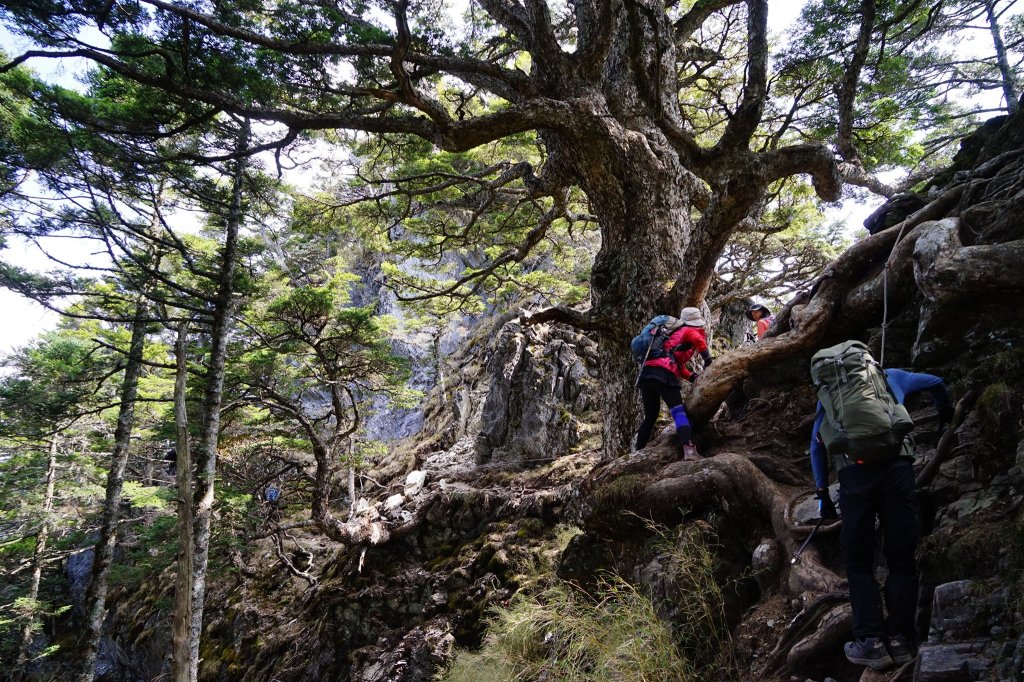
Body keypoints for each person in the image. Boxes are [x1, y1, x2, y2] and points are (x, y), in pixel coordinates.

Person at [810, 366, 953, 671]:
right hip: (897, 470)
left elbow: (816, 443)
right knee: (901, 557)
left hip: (854, 475)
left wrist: (823, 495)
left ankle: (871, 642)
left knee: (859, 562)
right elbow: (937, 381)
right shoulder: (893, 376)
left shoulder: (832, 389)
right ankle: (901, 640)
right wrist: (946, 414)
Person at [635, 306, 713, 460]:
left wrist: (692, 377)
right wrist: (708, 360)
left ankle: (637, 451)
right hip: (664, 374)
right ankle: (689, 450)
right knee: (678, 412)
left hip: (647, 374)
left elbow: (677, 365)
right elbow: (699, 341)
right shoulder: (689, 331)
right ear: (696, 321)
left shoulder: (669, 336)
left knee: (650, 416)